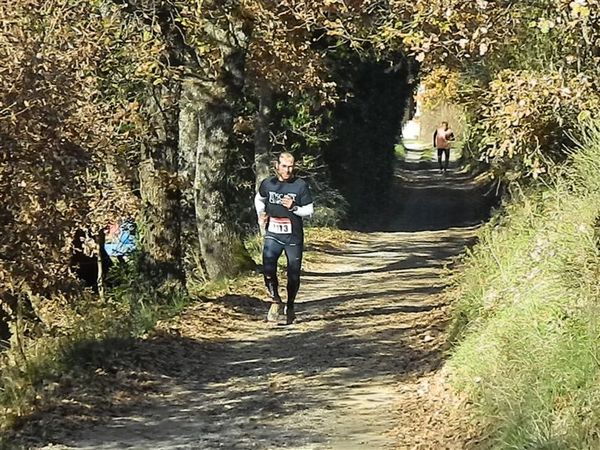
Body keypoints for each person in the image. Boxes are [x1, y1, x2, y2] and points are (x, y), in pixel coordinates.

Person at [254, 152, 314, 325]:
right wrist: (261, 214)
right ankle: (275, 301)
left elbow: (309, 210)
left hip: (293, 236)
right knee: (268, 267)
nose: (288, 170)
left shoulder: (300, 186)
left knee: (293, 274)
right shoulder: (268, 183)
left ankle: (290, 306)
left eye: (291, 166)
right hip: (273, 233)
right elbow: (259, 199)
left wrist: (294, 207)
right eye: (284, 166)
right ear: (277, 166)